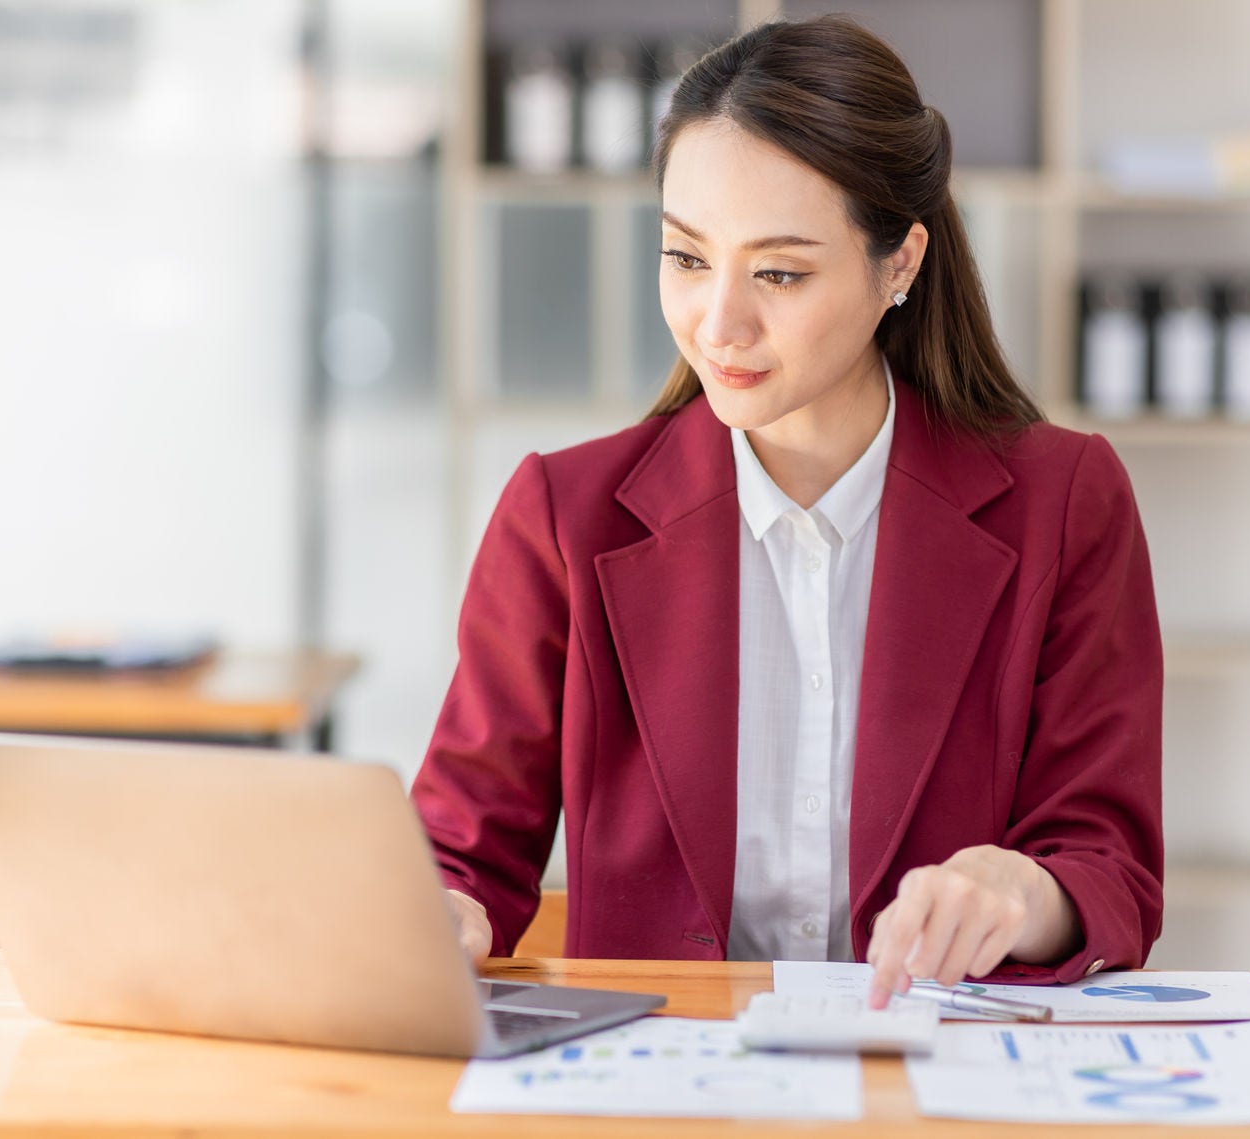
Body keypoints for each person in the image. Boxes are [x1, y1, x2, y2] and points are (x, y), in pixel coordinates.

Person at [411, 15, 1163, 1008]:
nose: (716, 324)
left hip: (936, 1076)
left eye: (777, 272)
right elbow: (461, 843)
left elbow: (1109, 863)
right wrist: (441, 908)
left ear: (897, 265)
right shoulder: (562, 515)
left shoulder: (1063, 503)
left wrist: (1026, 889)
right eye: (685, 257)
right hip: (663, 1078)